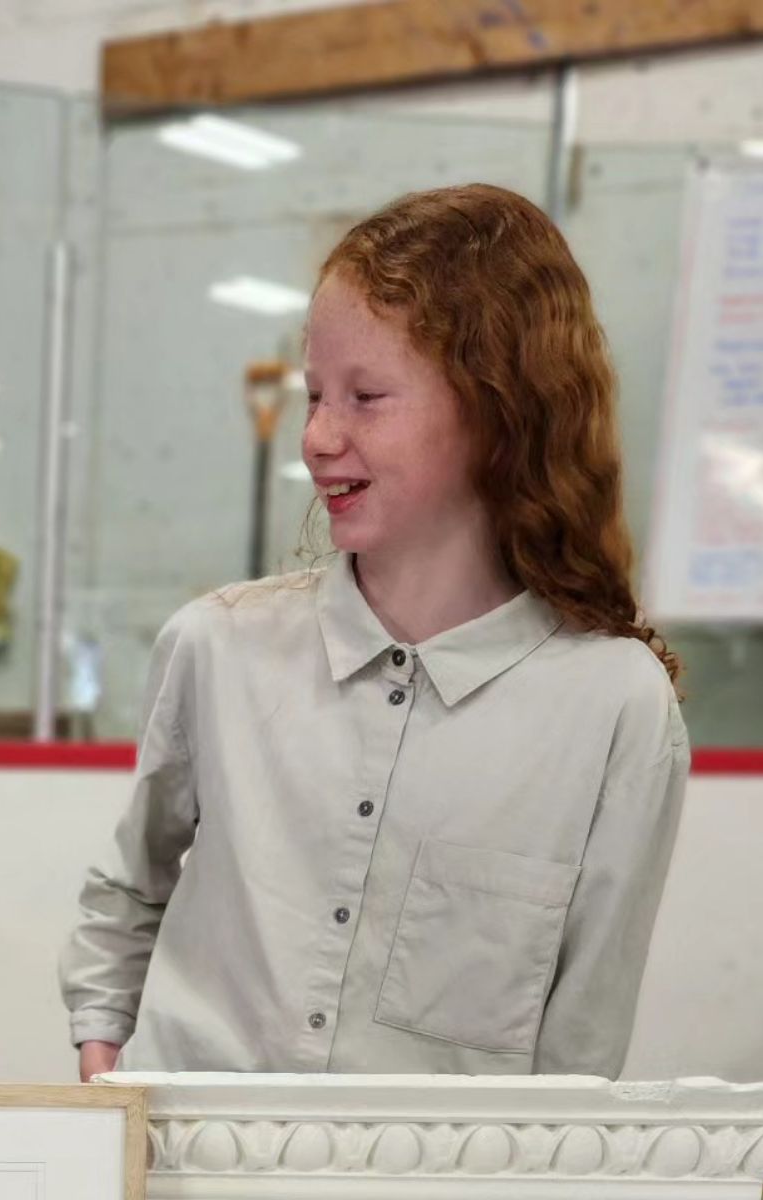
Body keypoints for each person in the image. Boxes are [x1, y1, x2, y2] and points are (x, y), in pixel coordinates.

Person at [60, 184, 689, 1082]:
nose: (318, 436)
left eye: (366, 396)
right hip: (189, 1147)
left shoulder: (616, 708)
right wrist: (101, 1049)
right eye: (316, 393)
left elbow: (581, 1050)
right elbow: (129, 890)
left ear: (498, 410)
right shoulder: (216, 646)